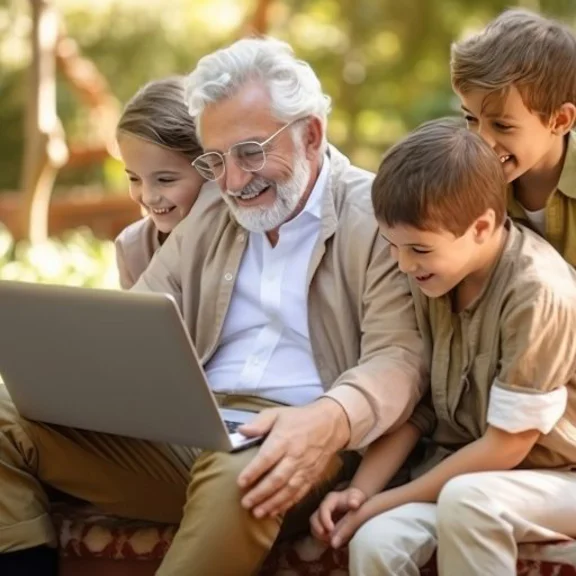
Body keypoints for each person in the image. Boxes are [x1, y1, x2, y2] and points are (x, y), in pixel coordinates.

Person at [0, 38, 426, 575]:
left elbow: (399, 359)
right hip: (191, 429)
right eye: (215, 160)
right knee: (4, 411)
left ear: (311, 135)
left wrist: (331, 418)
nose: (231, 182)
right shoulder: (215, 212)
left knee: (242, 476)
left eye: (250, 152)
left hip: (299, 438)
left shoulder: (375, 215)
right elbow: (139, 318)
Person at [311, 118, 576, 576]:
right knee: (376, 542)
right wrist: (362, 491)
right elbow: (421, 409)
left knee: (468, 501)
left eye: (418, 249)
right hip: (460, 472)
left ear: (481, 226)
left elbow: (507, 447)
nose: (402, 263)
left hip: (554, 478)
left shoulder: (537, 292)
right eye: (393, 245)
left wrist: (386, 499)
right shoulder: (431, 278)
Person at [451, 8, 576, 266]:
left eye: (501, 125)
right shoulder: (464, 187)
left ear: (560, 120)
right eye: (470, 119)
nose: (481, 141)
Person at [114, 76, 213, 289]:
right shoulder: (132, 248)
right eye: (134, 178)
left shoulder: (237, 242)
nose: (148, 196)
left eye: (165, 180)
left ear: (212, 167)